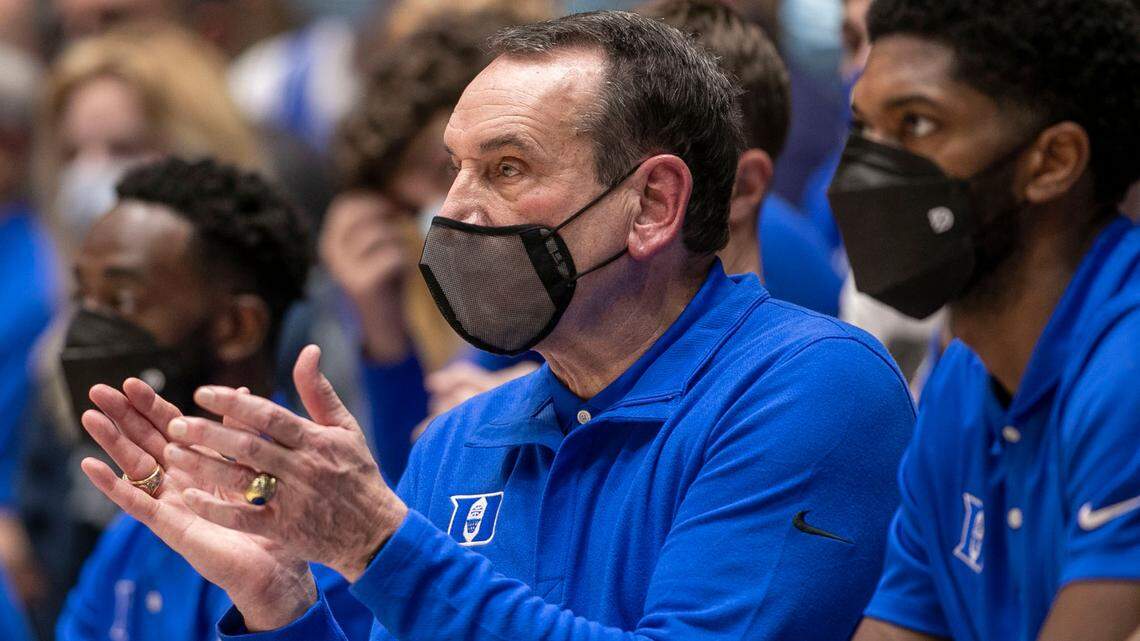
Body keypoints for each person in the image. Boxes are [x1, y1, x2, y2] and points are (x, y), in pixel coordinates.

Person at [82, 11, 915, 640]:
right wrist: (282, 601)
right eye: (456, 168)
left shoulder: (811, 386)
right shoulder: (464, 438)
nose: (454, 211)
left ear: (654, 203)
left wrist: (379, 541)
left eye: (507, 168)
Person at [825, 1, 1140, 640]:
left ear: (1051, 162)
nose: (866, 171)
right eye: (863, 128)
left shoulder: (1127, 370)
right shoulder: (964, 376)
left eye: (915, 124)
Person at [55, 157, 373, 641]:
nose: (86, 329)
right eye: (84, 299)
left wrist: (278, 604)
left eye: (121, 301)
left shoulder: (329, 526)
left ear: (236, 327)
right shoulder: (131, 529)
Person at [323, 8, 548, 481]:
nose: (446, 212)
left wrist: (550, 399)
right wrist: (381, 323)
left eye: (444, 168)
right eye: (413, 206)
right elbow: (415, 487)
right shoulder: (493, 320)